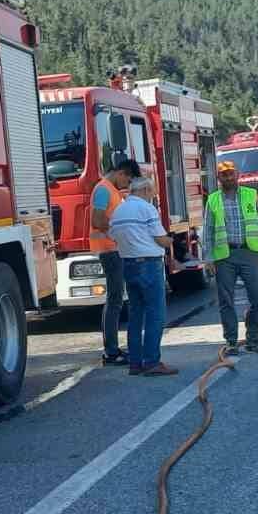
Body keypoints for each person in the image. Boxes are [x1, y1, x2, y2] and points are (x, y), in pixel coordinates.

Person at [203, 161, 258, 356]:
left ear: (237, 174)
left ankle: (252, 339)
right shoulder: (213, 200)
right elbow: (208, 231)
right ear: (219, 178)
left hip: (249, 253)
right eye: (224, 175)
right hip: (225, 256)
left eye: (231, 173)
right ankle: (231, 341)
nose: (228, 177)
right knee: (226, 301)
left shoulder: (250, 195)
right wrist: (208, 258)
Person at [108, 176, 178, 376]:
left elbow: (113, 236)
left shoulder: (118, 211)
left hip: (128, 264)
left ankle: (135, 363)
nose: (153, 196)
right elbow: (160, 239)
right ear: (146, 190)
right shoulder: (147, 209)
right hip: (149, 264)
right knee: (156, 314)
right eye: (152, 192)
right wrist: (170, 240)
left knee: (135, 315)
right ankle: (152, 362)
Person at [88, 159, 142, 366]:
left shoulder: (111, 190)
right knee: (115, 300)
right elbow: (97, 220)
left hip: (113, 249)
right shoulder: (103, 189)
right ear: (122, 173)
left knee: (116, 299)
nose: (127, 185)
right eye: (128, 180)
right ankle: (111, 351)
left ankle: (112, 349)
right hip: (109, 250)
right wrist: (119, 231)